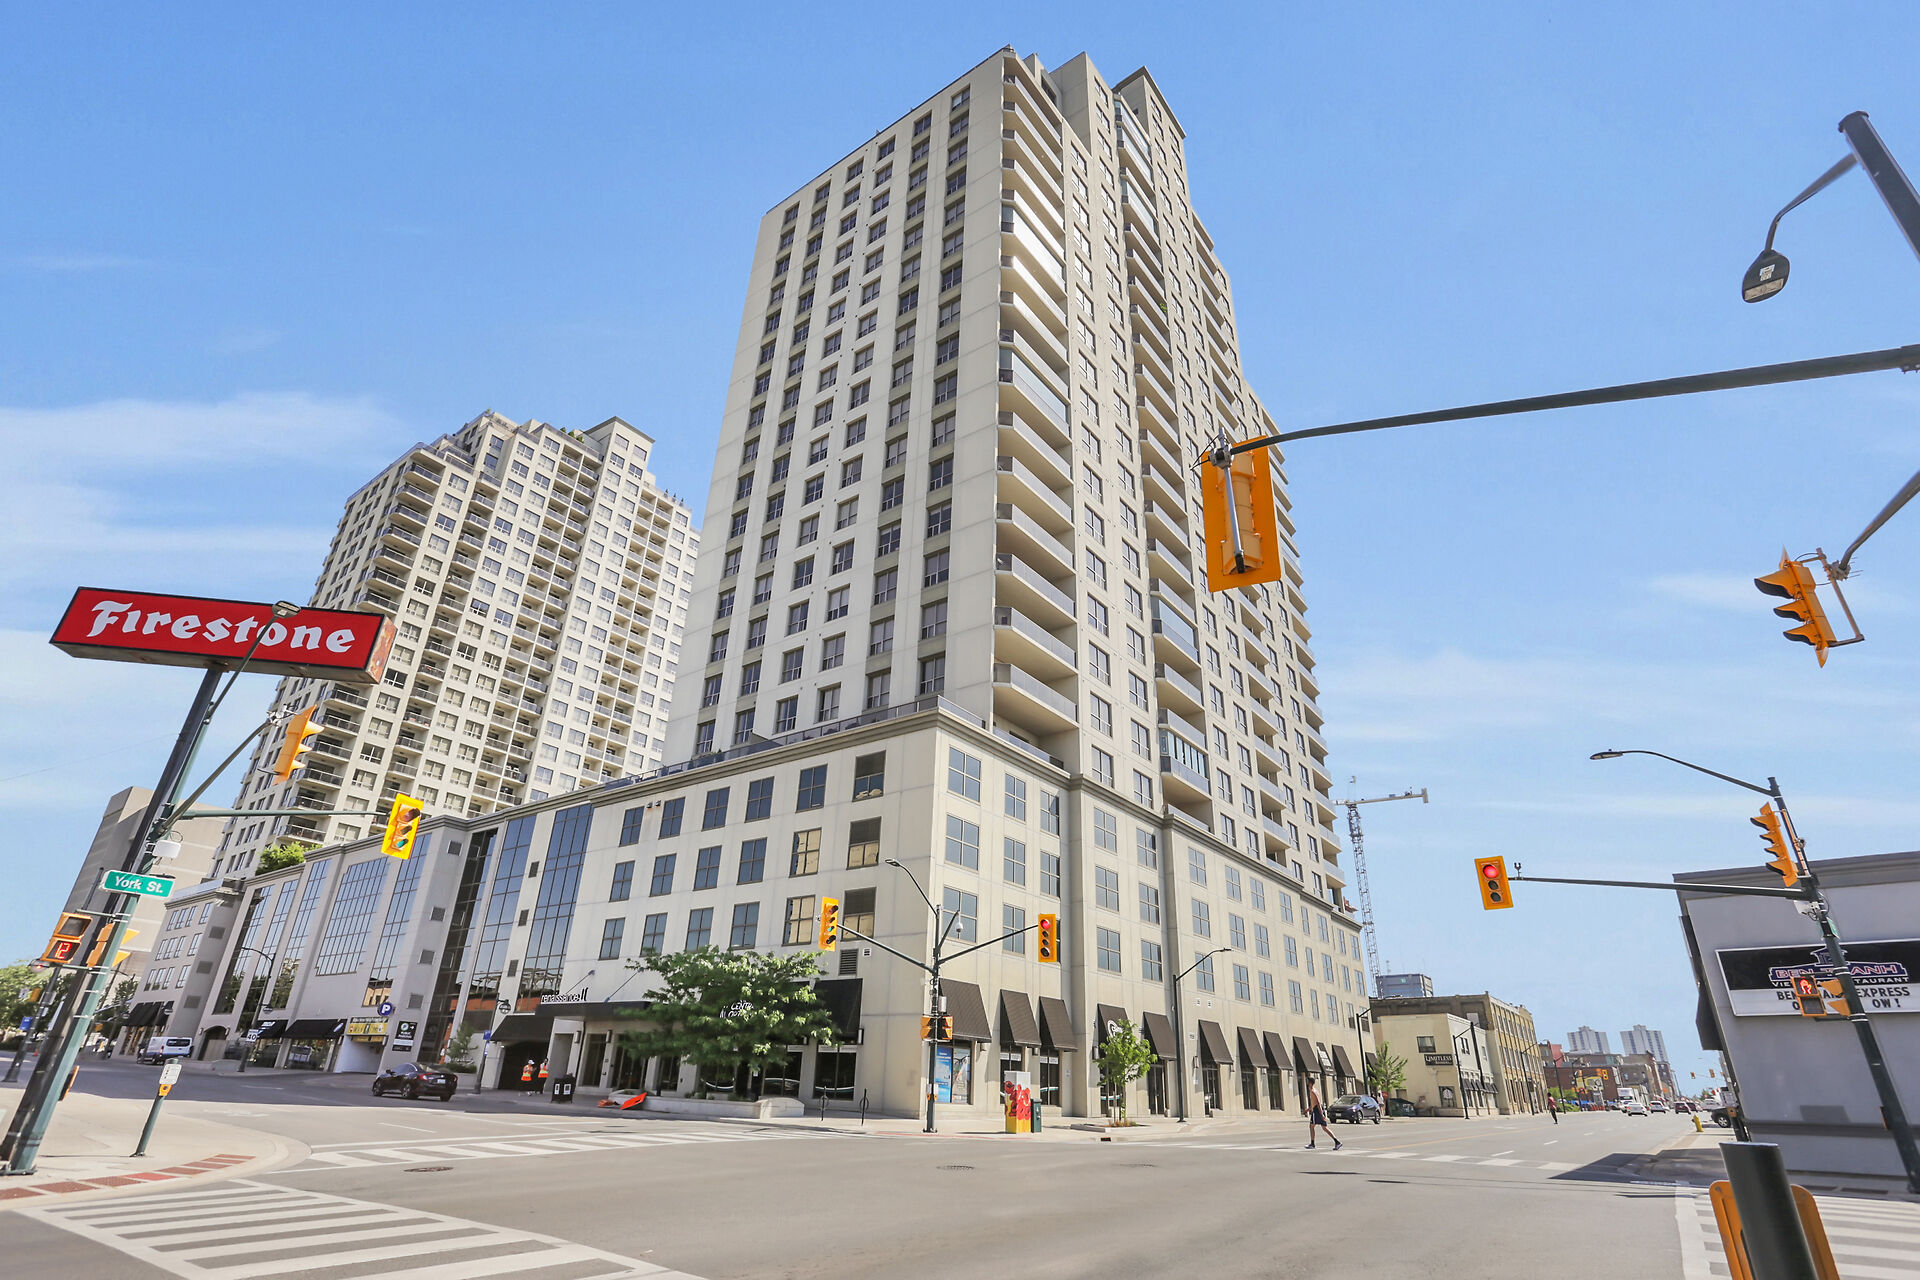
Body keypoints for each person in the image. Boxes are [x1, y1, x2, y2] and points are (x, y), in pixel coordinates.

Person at [1304, 1079, 1342, 1150]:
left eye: (1308, 1082)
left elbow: (1318, 1103)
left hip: (1317, 1111)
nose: (1307, 1083)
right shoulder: (1313, 1091)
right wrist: (1308, 1109)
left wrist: (1322, 1114)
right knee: (1324, 1127)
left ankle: (1312, 1144)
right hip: (1317, 1110)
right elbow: (1314, 1103)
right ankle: (1337, 1142)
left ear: (1310, 1083)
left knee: (1312, 1126)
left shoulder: (1313, 1091)